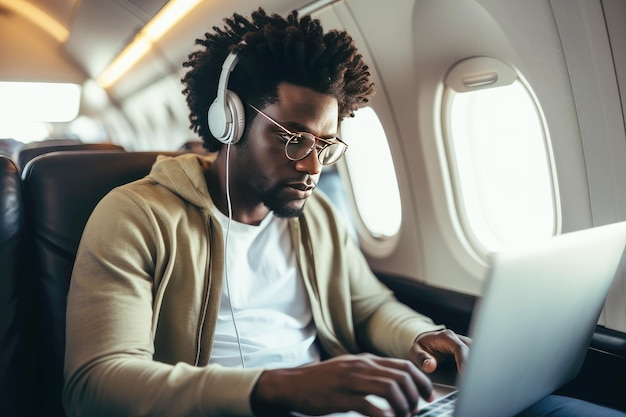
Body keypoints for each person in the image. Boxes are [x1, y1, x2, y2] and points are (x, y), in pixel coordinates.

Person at [63, 8, 625, 417]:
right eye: (292, 139)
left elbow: (368, 303)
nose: (312, 165)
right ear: (228, 123)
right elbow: (96, 382)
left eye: (326, 144)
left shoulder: (317, 217)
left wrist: (418, 336)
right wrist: (280, 387)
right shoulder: (136, 217)